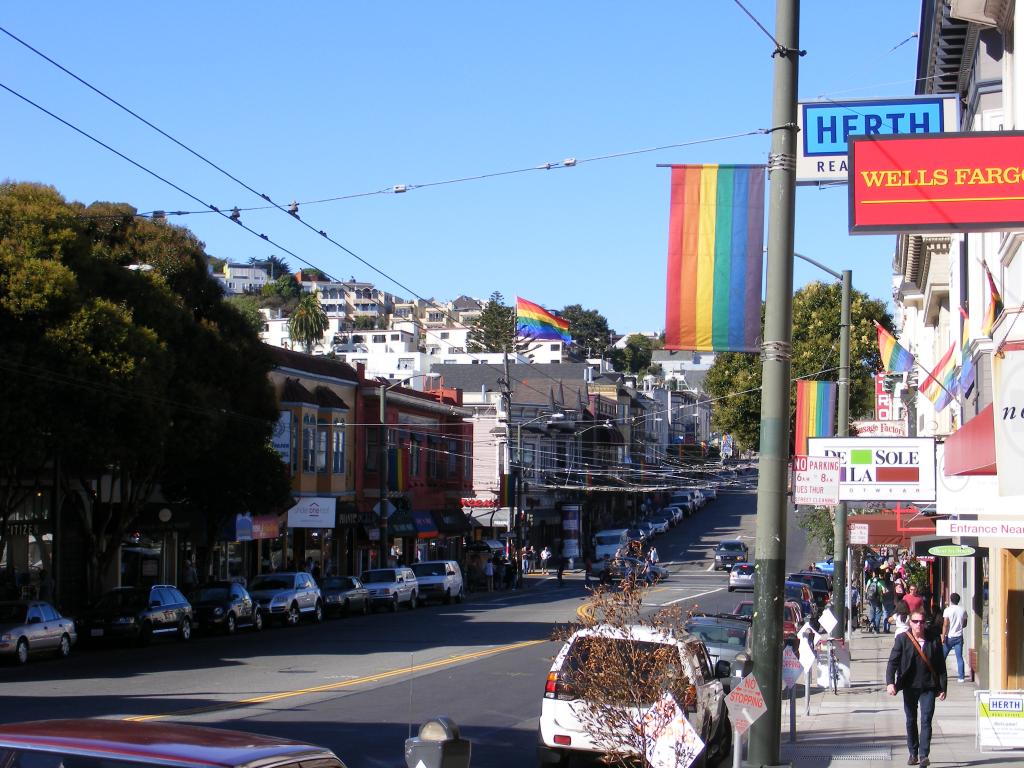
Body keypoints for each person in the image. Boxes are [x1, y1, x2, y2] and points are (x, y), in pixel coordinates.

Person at [886, 610, 947, 767]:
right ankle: (913, 753)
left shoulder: (933, 639)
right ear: (910, 623)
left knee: (926, 720)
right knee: (911, 720)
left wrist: (942, 687)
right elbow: (892, 662)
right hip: (909, 686)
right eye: (915, 621)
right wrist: (890, 683)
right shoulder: (902, 639)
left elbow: (941, 665)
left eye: (921, 621)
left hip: (928, 686)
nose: (918, 624)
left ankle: (924, 755)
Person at [941, 593, 969, 683]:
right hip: (959, 636)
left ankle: (939, 673)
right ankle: (961, 677)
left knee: (942, 656)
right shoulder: (963, 610)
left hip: (949, 636)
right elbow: (965, 624)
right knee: (959, 657)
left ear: (951, 600)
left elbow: (945, 624)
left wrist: (943, 635)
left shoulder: (947, 610)